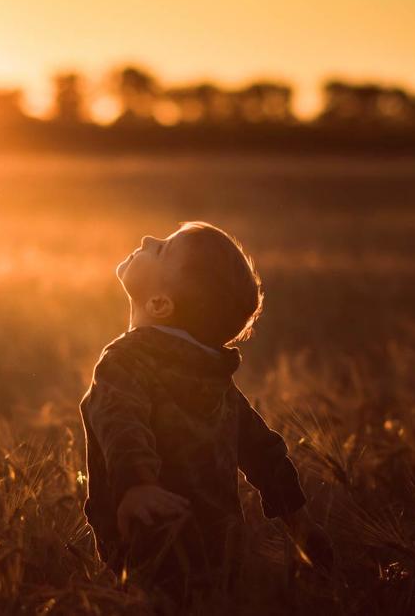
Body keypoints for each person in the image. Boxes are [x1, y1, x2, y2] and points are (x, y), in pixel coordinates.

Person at [79, 221, 332, 610]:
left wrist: (137, 486)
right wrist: (297, 520)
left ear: (160, 305)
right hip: (222, 546)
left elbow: (121, 422)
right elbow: (264, 452)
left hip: (151, 532)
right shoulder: (213, 376)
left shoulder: (124, 362)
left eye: (162, 248)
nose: (148, 238)